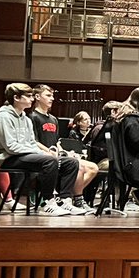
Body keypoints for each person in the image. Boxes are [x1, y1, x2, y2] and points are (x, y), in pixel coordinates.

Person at [0, 83, 80, 216]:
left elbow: (32, 142)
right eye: (28, 96)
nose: (32, 99)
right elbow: (10, 147)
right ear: (16, 97)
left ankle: (65, 200)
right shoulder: (3, 117)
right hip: (8, 158)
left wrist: (41, 152)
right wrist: (40, 153)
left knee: (71, 162)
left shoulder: (25, 119)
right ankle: (47, 202)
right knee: (50, 161)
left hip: (23, 155)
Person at [31, 84, 97, 213]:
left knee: (87, 166)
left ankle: (66, 198)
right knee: (79, 167)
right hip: (43, 157)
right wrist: (49, 152)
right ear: (37, 97)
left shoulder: (53, 119)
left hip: (56, 155)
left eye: (53, 96)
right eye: (48, 95)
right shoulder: (32, 117)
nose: (52, 99)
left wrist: (65, 152)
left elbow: (56, 142)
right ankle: (71, 199)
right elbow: (34, 141)